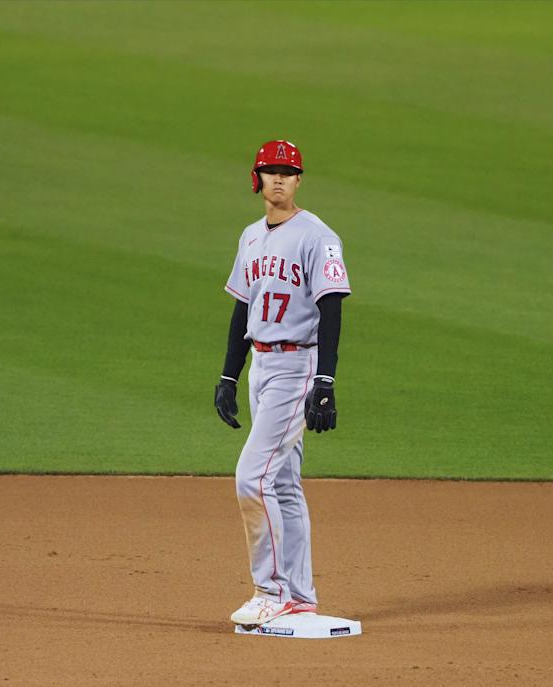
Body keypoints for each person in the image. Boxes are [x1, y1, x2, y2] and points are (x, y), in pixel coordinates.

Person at [214, 139, 352, 625]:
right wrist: (230, 374)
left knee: (252, 477)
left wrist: (325, 379)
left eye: (287, 172)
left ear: (298, 181)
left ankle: (270, 590)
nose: (278, 179)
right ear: (257, 179)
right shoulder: (251, 236)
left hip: (296, 368)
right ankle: (299, 594)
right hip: (261, 367)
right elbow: (242, 307)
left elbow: (331, 306)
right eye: (270, 170)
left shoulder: (318, 236)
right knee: (285, 484)